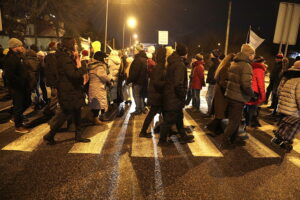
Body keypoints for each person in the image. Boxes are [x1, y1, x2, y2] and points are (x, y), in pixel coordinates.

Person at [43, 38, 90, 145]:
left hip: (73, 89)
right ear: (69, 45)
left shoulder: (67, 56)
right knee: (65, 113)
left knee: (77, 111)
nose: (76, 46)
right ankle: (50, 135)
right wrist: (83, 65)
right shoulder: (64, 58)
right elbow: (73, 74)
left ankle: (78, 136)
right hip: (68, 90)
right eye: (75, 44)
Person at [159, 44, 194, 145]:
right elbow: (178, 84)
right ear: (184, 54)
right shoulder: (179, 65)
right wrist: (183, 94)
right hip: (174, 97)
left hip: (171, 95)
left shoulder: (173, 62)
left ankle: (183, 136)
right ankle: (162, 140)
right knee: (169, 119)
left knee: (179, 117)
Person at [224, 44, 255, 144]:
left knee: (235, 119)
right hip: (238, 97)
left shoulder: (235, 62)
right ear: (249, 54)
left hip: (231, 95)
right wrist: (252, 94)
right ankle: (224, 141)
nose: (253, 57)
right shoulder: (246, 66)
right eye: (253, 54)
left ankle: (234, 138)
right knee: (234, 121)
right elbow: (246, 85)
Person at [3, 38, 31, 133]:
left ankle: (16, 116)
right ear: (15, 47)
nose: (21, 47)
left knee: (27, 102)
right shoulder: (10, 58)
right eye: (20, 46)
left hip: (22, 86)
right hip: (17, 87)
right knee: (18, 105)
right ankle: (18, 126)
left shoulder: (18, 55)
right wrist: (20, 81)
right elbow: (9, 75)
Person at [271, 61, 300, 152]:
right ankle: (286, 140)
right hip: (293, 109)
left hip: (283, 106)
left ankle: (279, 137)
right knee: (295, 124)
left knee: (285, 123)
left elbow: (279, 91)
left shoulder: (286, 76)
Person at [139, 47, 167, 138]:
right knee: (152, 113)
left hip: (157, 95)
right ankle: (143, 132)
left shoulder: (159, 66)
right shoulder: (159, 67)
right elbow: (157, 82)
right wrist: (167, 83)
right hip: (157, 95)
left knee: (162, 114)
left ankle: (166, 132)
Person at [206, 53, 235, 136]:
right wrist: (230, 88)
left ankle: (215, 130)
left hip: (219, 92)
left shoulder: (224, 66)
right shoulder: (226, 68)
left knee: (220, 114)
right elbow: (223, 82)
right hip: (221, 93)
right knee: (220, 113)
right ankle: (212, 129)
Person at [88, 51, 114, 123]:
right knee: (98, 103)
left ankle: (95, 118)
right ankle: (96, 119)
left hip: (94, 86)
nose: (105, 59)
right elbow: (103, 76)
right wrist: (110, 79)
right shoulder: (99, 67)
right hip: (98, 86)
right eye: (104, 58)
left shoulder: (92, 65)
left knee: (96, 103)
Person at [244, 56, 266, 128]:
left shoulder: (249, 67)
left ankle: (246, 122)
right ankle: (248, 124)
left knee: (247, 107)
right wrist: (263, 96)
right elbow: (261, 84)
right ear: (261, 62)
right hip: (255, 92)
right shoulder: (260, 70)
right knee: (252, 108)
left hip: (247, 90)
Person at [126, 44, 148, 115]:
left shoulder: (138, 60)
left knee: (136, 95)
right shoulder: (144, 59)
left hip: (137, 81)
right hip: (143, 80)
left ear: (138, 51)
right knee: (141, 95)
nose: (133, 51)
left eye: (135, 50)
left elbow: (135, 72)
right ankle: (141, 108)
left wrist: (129, 80)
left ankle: (138, 109)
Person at [43, 42, 59, 116]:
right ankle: (52, 110)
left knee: (55, 95)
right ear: (52, 47)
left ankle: (52, 109)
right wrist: (57, 78)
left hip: (51, 79)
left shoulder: (48, 56)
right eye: (56, 45)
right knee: (55, 95)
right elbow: (54, 69)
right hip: (54, 80)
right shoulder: (52, 56)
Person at [206, 49, 221, 115]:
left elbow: (215, 73)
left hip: (213, 83)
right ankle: (210, 111)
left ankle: (210, 112)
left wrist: (212, 80)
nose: (210, 54)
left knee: (209, 97)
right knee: (209, 97)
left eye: (211, 53)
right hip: (212, 82)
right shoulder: (213, 61)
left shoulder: (216, 63)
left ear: (214, 54)